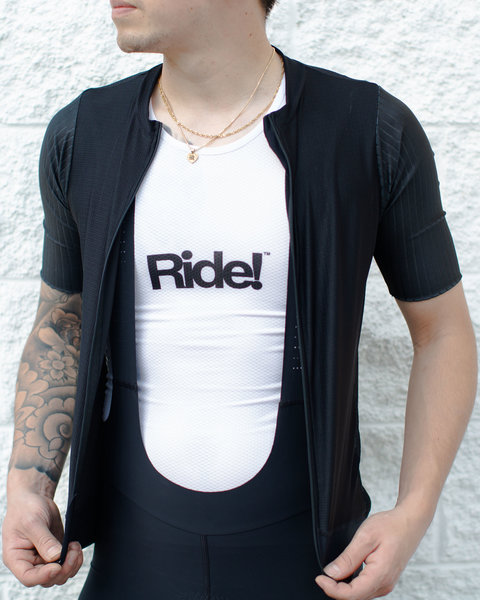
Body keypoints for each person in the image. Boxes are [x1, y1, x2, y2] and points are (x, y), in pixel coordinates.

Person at [2, 1, 477, 598]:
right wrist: (28, 486)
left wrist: (414, 511)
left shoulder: (366, 130)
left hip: (312, 572)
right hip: (130, 567)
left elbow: (442, 332)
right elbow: (63, 323)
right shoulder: (83, 135)